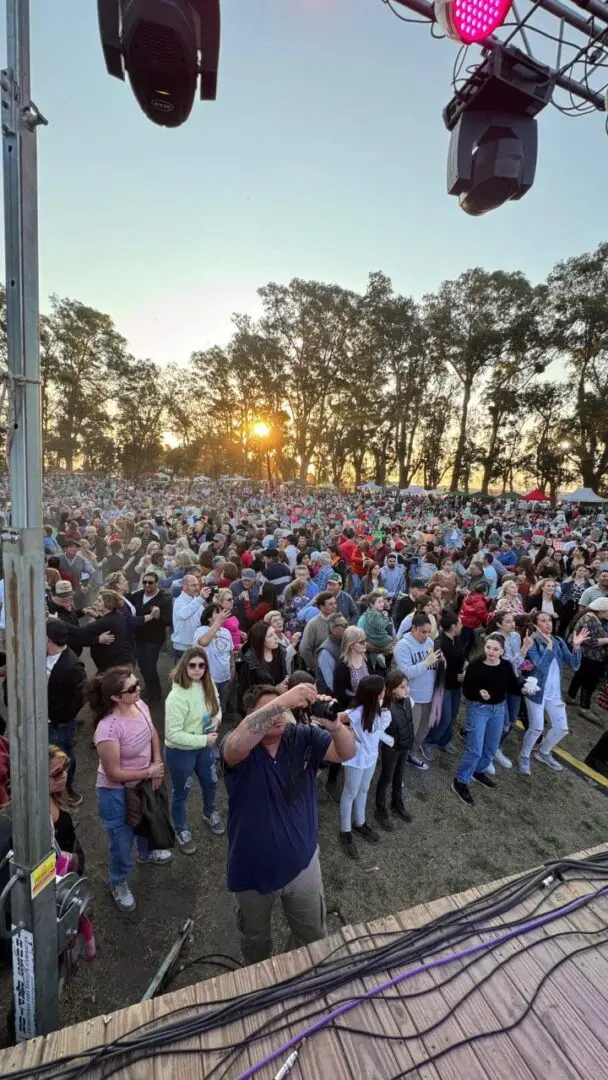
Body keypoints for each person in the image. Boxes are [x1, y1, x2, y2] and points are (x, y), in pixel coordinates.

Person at [220, 682, 356, 963]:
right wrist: (284, 700)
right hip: (251, 874)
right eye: (270, 710)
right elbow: (234, 746)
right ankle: (261, 982)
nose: (279, 716)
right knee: (256, 941)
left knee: (313, 936)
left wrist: (335, 726)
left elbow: (347, 753)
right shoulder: (238, 747)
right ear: (248, 715)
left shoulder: (302, 737)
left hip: (303, 867)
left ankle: (303, 974)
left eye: (282, 710)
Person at [88, 666, 172, 913]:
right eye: (132, 688)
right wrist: (148, 772)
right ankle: (118, 880)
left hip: (143, 784)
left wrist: (156, 761)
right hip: (116, 793)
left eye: (138, 684)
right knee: (121, 840)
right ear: (115, 697)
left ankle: (146, 854)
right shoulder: (108, 729)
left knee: (146, 823)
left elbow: (153, 733)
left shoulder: (138, 705)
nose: (139, 690)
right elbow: (113, 772)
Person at [164, 646, 224, 853]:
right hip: (181, 752)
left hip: (204, 745)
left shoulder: (208, 684)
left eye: (201, 665)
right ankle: (181, 829)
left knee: (211, 782)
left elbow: (217, 708)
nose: (197, 669)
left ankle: (209, 812)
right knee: (182, 791)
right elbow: (172, 735)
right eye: (192, 665)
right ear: (184, 666)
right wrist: (204, 739)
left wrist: (216, 720)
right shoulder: (176, 697)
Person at [452, 633, 523, 807]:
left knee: (491, 747)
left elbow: (513, 686)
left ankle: (478, 771)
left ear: (502, 651)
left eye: (495, 649)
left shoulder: (505, 666)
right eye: (488, 647)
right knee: (475, 749)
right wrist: (478, 693)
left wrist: (525, 688)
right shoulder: (476, 665)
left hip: (498, 710)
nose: (491, 652)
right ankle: (460, 780)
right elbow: (467, 690)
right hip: (479, 709)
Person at [519, 612, 588, 776]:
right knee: (536, 728)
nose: (548, 623)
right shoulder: (532, 642)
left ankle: (543, 752)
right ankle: (524, 755)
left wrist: (577, 647)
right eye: (543, 621)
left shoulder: (558, 641)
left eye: (550, 620)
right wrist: (548, 649)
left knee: (562, 728)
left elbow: (574, 665)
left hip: (555, 694)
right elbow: (539, 667)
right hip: (536, 692)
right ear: (535, 625)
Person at [339, 675, 392, 859]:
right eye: (383, 689)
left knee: (364, 789)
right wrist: (348, 735)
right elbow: (336, 720)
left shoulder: (377, 706)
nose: (385, 692)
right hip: (357, 758)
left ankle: (359, 823)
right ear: (374, 693)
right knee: (350, 792)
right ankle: (345, 832)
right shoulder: (356, 712)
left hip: (371, 756)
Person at [46, 618, 86, 807]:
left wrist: (64, 718)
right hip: (43, 721)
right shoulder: (42, 655)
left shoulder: (73, 665)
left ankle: (65, 790)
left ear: (48, 639)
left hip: (59, 724)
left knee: (63, 758)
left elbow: (81, 697)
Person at [394, 613, 442, 770]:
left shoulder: (429, 642)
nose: (426, 635)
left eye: (429, 632)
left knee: (423, 730)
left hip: (428, 695)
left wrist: (441, 662)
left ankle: (410, 754)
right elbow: (406, 673)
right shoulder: (403, 646)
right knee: (409, 732)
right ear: (413, 628)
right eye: (423, 631)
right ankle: (398, 762)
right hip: (412, 696)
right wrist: (426, 663)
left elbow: (433, 666)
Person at [374, 669, 414, 830]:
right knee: (386, 777)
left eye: (407, 686)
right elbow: (377, 731)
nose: (407, 690)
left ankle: (397, 803)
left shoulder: (408, 701)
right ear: (393, 689)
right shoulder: (386, 710)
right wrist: (391, 741)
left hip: (404, 746)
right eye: (402, 687)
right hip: (392, 749)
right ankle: (380, 809)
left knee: (399, 775)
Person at [128, 571, 172, 702]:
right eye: (145, 582)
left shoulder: (164, 599)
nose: (147, 585)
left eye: (150, 582)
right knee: (142, 665)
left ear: (157, 583)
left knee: (150, 665)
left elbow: (169, 621)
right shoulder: (137, 595)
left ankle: (156, 693)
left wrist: (158, 617)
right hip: (139, 636)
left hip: (154, 638)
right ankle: (149, 688)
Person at [425, 611, 464, 754]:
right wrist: (458, 676)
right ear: (453, 626)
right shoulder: (440, 643)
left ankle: (444, 741)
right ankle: (429, 741)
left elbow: (460, 656)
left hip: (456, 685)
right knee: (444, 717)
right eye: (460, 623)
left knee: (453, 715)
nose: (462, 625)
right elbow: (440, 670)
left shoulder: (456, 638)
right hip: (444, 685)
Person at [567, 598, 608, 721]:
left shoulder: (592, 617)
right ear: (601, 610)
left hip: (588, 655)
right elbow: (587, 640)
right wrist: (606, 640)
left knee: (579, 676)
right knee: (590, 682)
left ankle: (571, 696)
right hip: (590, 656)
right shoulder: (590, 619)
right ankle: (584, 707)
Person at [193, 604, 235, 715]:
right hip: (208, 679)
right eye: (218, 612)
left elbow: (229, 653)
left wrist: (232, 668)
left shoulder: (226, 632)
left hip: (225, 678)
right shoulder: (201, 630)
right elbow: (203, 642)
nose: (222, 614)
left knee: (220, 708)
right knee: (207, 710)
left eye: (222, 611)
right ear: (209, 618)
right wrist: (217, 623)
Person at [240, 621, 288, 695]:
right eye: (270, 635)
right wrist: (274, 690)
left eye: (274, 633)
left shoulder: (280, 652)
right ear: (260, 640)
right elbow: (249, 692)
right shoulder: (249, 661)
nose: (275, 637)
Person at [299, 591, 338, 672]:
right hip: (322, 669)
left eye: (335, 603)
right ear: (321, 607)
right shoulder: (313, 624)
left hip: (338, 668)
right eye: (330, 604)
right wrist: (315, 668)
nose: (334, 606)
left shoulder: (339, 619)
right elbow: (304, 650)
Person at [171, 575, 206, 659]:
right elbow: (184, 614)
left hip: (196, 646)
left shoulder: (197, 600)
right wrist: (200, 599)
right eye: (193, 585)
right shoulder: (179, 601)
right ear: (184, 586)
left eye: (198, 585)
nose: (197, 587)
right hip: (182, 648)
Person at [315, 613, 348, 695]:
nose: (347, 628)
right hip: (332, 697)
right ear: (333, 629)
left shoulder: (344, 643)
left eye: (347, 624)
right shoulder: (325, 651)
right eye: (344, 625)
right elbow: (332, 685)